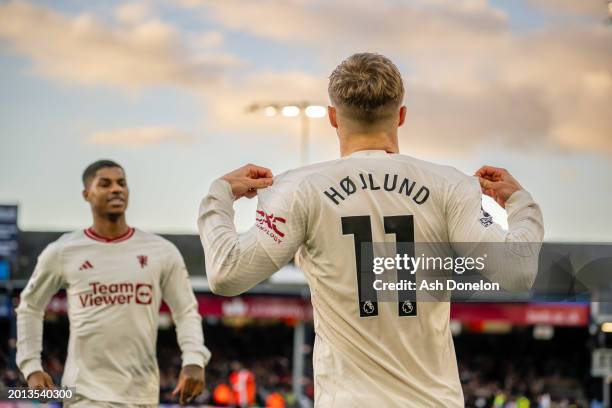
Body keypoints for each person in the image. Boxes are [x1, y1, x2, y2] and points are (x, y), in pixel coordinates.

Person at [198, 53, 544, 407]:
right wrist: (519, 203)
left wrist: (219, 196)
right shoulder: (450, 186)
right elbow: (516, 271)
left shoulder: (299, 189)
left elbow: (226, 274)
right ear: (401, 115)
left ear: (333, 118)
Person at [17, 160, 210, 407]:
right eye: (105, 184)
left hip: (141, 395)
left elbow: (185, 310)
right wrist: (31, 366)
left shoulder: (161, 251)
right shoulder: (63, 251)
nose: (116, 189)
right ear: (87, 194)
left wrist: (194, 358)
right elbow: (30, 307)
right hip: (83, 394)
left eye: (122, 183)